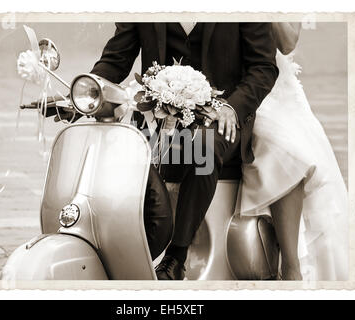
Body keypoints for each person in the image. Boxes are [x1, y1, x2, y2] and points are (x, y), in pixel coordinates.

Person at [89, 23, 279, 280]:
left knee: (203, 148)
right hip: (156, 115)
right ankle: (120, 251)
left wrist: (232, 108)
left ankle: (175, 258)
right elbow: (116, 59)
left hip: (220, 116)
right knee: (122, 146)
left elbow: (263, 67)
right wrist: (88, 91)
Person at [231, 23, 349, 280]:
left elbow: (287, 42)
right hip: (221, 76)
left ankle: (291, 267)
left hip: (272, 89)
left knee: (289, 150)